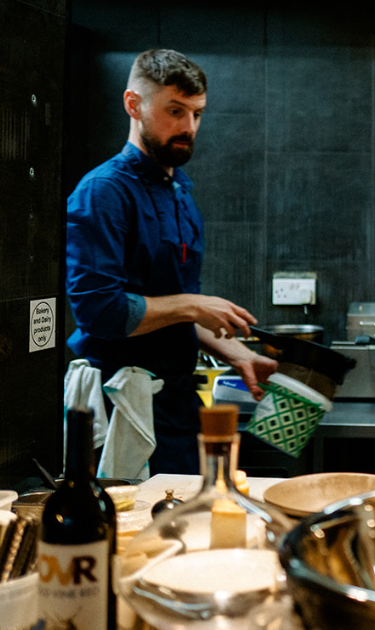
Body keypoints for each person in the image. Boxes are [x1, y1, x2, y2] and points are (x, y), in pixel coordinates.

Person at [65, 49, 275, 475]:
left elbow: (166, 310)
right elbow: (99, 311)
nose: (188, 127)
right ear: (133, 104)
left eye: (197, 114)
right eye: (175, 111)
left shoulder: (179, 191)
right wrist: (195, 305)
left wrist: (236, 353)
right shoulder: (103, 191)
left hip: (176, 401)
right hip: (118, 401)